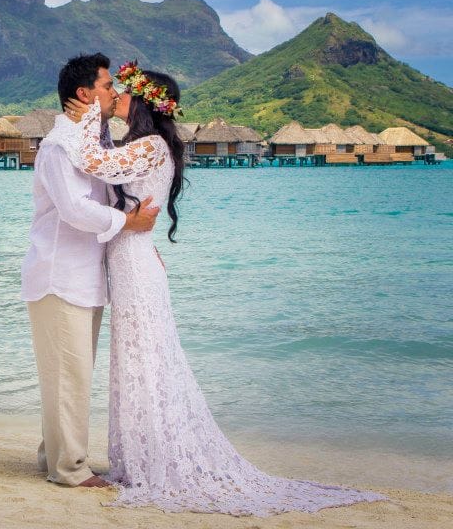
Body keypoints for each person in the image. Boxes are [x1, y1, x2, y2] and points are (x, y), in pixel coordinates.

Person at [60, 62, 386, 515]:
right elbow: (105, 164)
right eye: (109, 89)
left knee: (146, 359)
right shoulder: (141, 143)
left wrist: (82, 118)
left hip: (135, 265)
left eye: (121, 91)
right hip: (132, 260)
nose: (113, 96)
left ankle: (155, 461)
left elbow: (92, 161)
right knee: (136, 360)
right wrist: (92, 122)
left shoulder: (151, 145)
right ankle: (139, 457)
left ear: (140, 102)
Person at [21, 53, 160, 488]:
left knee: (68, 373)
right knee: (70, 376)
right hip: (59, 274)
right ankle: (71, 470)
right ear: (84, 94)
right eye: (106, 86)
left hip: (82, 275)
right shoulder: (60, 145)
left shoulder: (85, 145)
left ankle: (54, 456)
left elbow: (105, 189)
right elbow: (74, 209)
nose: (113, 94)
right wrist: (127, 222)